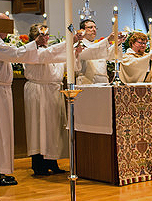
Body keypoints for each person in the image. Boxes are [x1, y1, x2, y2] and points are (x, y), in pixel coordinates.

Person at [24, 25, 117, 175]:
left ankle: (52, 161)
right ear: (35, 36)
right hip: (39, 91)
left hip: (53, 90)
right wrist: (71, 41)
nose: (46, 37)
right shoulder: (32, 51)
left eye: (47, 34)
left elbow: (70, 65)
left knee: (54, 128)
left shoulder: (52, 51)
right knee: (40, 127)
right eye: (43, 34)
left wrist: (75, 53)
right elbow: (48, 55)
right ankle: (38, 164)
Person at [0, 15, 45, 186]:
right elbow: (13, 54)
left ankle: (1, 170)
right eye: (6, 24)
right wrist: (35, 43)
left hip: (2, 90)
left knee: (3, 132)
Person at [76, 18, 113, 84]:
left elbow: (110, 56)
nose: (94, 30)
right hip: (86, 81)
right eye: (90, 27)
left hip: (103, 81)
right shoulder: (79, 45)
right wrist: (108, 40)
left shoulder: (98, 45)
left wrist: (118, 43)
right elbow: (89, 52)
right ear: (82, 30)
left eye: (95, 27)